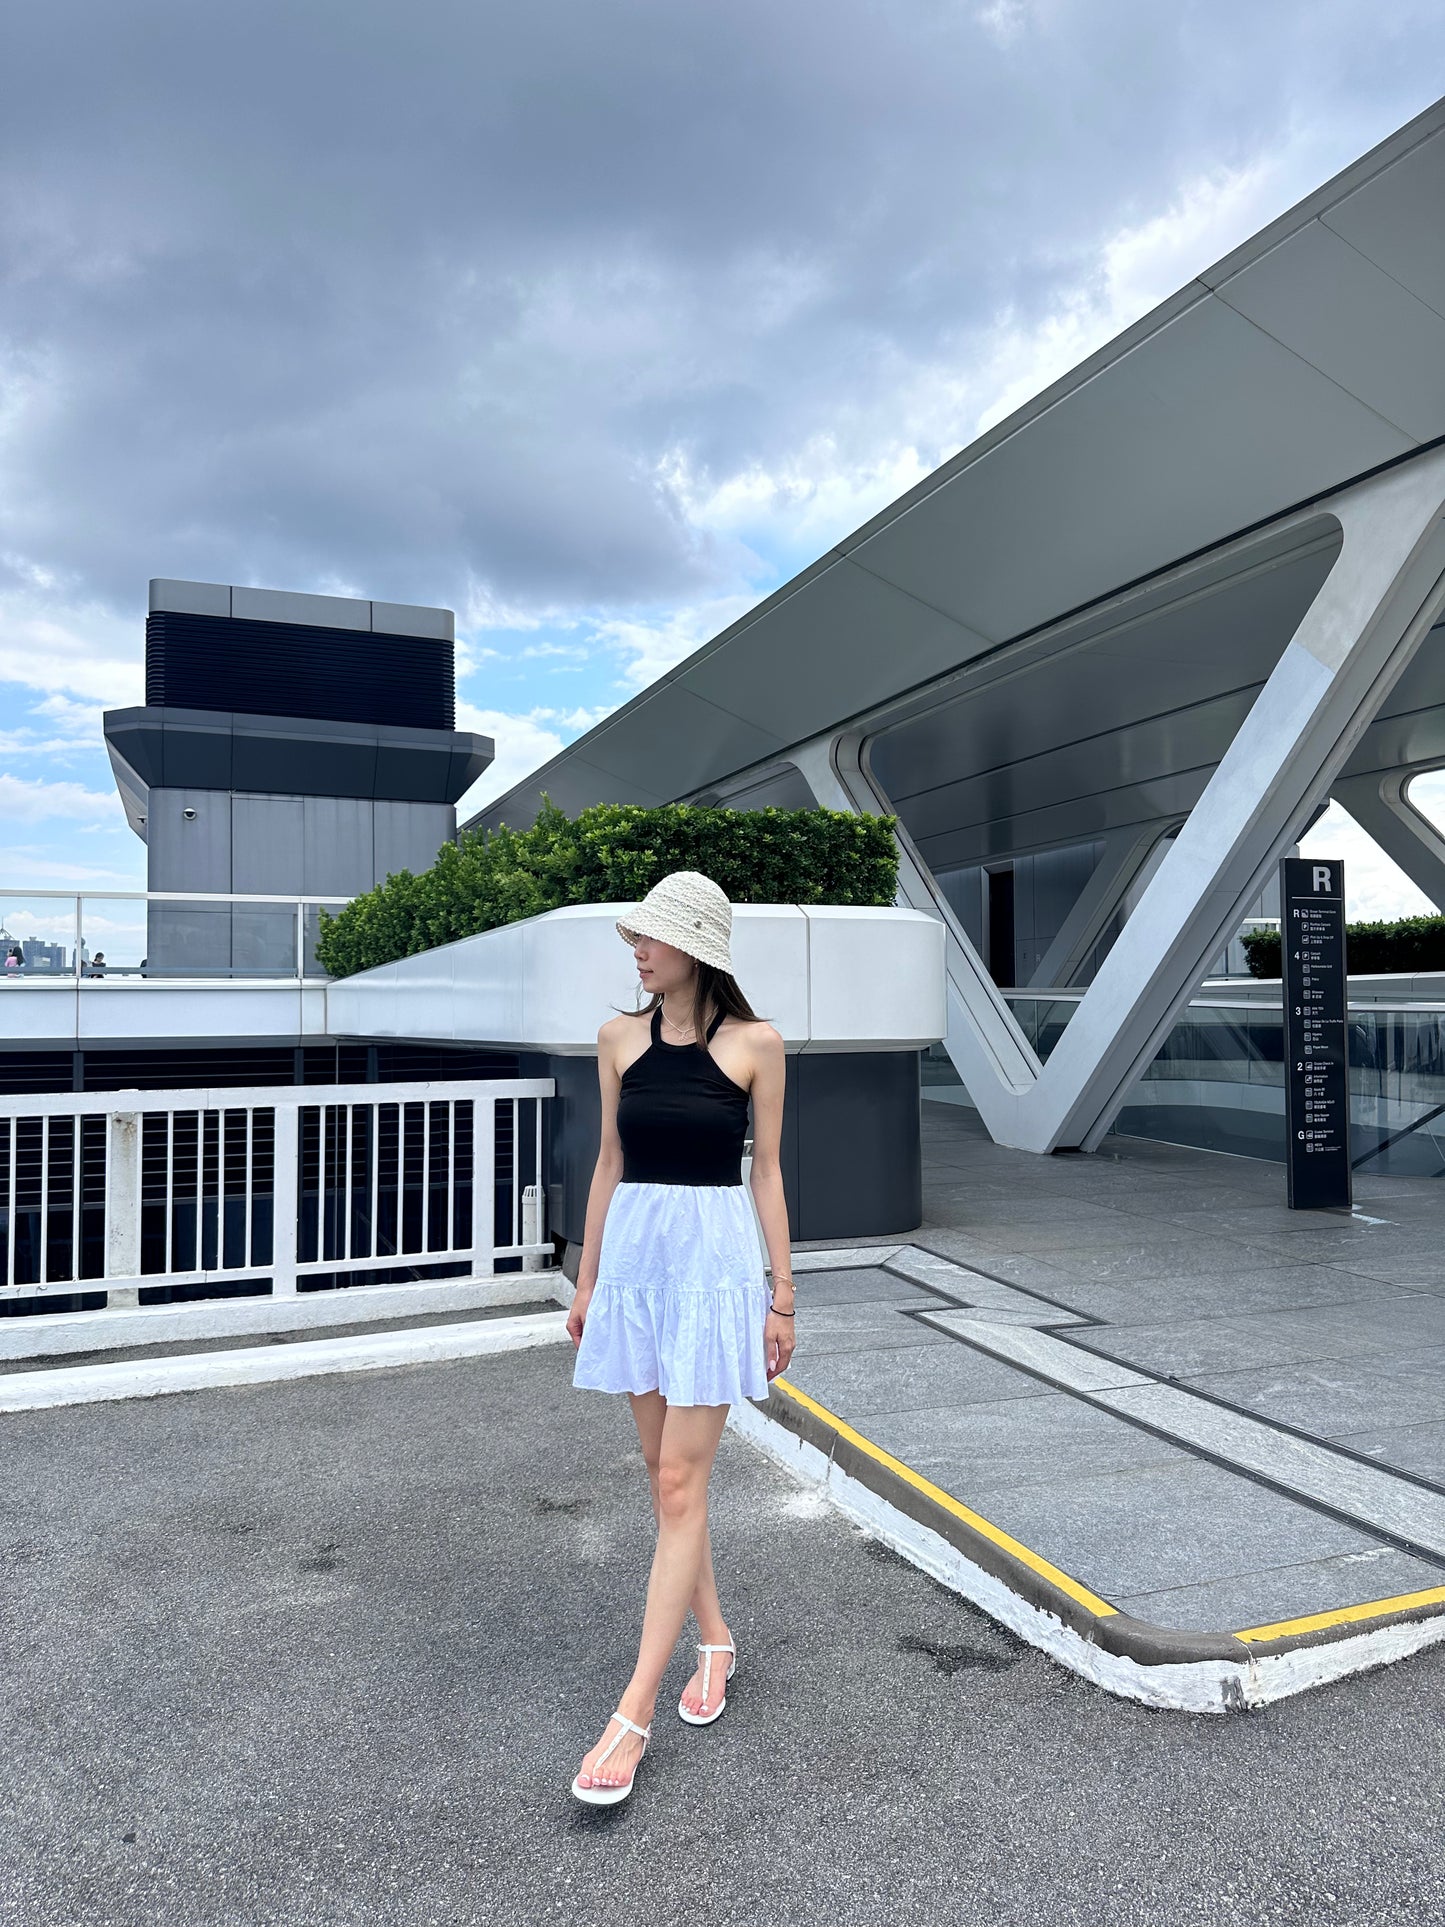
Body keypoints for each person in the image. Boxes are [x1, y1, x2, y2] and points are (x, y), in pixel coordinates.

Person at [567, 870, 795, 1807]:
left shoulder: (756, 1045)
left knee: (675, 1483)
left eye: (651, 937)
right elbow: (609, 1162)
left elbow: (768, 1175)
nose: (637, 950)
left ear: (694, 946)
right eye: (636, 938)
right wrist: (585, 1281)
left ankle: (633, 1708)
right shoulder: (617, 1038)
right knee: (668, 1477)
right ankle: (716, 1639)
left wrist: (783, 1296)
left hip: (712, 1270)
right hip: (634, 1269)